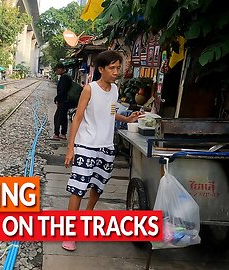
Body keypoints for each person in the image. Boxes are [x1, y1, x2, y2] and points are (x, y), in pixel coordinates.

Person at [61, 51, 142, 251]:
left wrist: (128, 119)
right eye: (112, 68)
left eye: (118, 68)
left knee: (98, 185)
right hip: (87, 145)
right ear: (101, 69)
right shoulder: (89, 89)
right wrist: (70, 148)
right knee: (78, 188)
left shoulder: (114, 89)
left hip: (106, 147)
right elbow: (77, 118)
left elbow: (111, 113)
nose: (117, 72)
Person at [53, 63, 72, 140]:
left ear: (61, 69)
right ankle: (63, 134)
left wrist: (57, 98)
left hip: (63, 101)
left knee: (57, 117)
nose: (56, 72)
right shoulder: (67, 77)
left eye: (56, 70)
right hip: (66, 101)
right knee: (63, 117)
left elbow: (63, 90)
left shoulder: (64, 78)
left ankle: (56, 134)